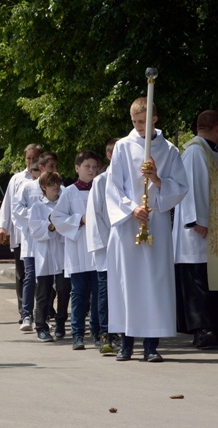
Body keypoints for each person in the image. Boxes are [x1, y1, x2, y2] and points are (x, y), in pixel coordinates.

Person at [106, 97, 188, 362]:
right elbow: (113, 187)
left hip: (157, 222)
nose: (138, 126)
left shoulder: (169, 150)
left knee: (156, 281)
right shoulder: (122, 147)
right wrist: (131, 208)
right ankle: (126, 343)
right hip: (129, 223)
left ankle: (152, 344)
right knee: (128, 282)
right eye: (134, 122)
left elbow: (181, 187)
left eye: (142, 121)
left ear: (154, 118)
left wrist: (156, 180)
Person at [173, 110, 218, 348]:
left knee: (213, 284)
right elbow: (191, 187)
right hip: (199, 236)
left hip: (214, 237)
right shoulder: (194, 152)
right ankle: (201, 330)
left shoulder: (212, 153)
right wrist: (196, 219)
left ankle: (213, 327)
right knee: (199, 284)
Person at [51, 150, 100, 351]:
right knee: (79, 293)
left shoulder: (101, 189)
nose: (91, 170)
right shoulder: (69, 192)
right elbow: (57, 218)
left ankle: (98, 333)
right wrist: (79, 219)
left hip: (98, 250)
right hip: (79, 249)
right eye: (87, 166)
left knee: (99, 294)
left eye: (95, 167)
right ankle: (78, 334)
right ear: (77, 168)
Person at [12, 151, 60, 332]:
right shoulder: (26, 187)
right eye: (51, 167)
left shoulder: (58, 189)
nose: (54, 170)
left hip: (51, 241)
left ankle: (46, 313)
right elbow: (16, 209)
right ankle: (27, 315)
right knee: (30, 277)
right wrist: (35, 221)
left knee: (50, 280)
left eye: (55, 167)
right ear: (41, 168)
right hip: (32, 240)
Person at [0, 144, 42, 323]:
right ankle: (24, 310)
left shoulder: (46, 179)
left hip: (43, 235)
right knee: (23, 274)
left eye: (35, 158)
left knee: (45, 273)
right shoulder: (17, 179)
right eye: (28, 158)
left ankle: (43, 307)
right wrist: (2, 228)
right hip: (21, 235)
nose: (31, 162)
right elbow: (8, 205)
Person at [85, 138, 120, 354]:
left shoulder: (133, 178)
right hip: (108, 247)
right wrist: (110, 243)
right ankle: (106, 332)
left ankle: (125, 332)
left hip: (127, 247)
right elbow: (95, 218)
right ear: (109, 155)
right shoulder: (101, 181)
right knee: (106, 292)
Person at [28, 171, 70, 341]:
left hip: (62, 252)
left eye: (58, 183)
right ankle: (41, 326)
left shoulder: (64, 204)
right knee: (44, 292)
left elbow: (68, 224)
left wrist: (59, 224)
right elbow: (34, 230)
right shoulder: (37, 207)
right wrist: (51, 226)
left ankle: (60, 322)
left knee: (64, 289)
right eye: (52, 184)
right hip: (44, 253)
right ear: (44, 187)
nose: (56, 187)